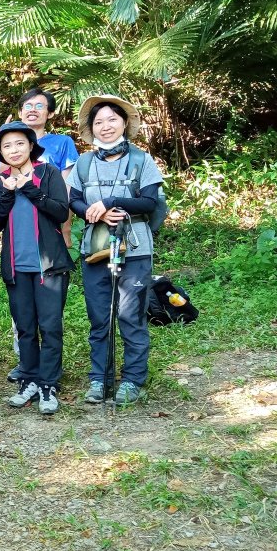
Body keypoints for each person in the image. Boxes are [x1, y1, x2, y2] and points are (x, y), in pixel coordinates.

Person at [68, 95, 163, 406]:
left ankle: (133, 380)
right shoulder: (83, 162)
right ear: (91, 128)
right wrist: (91, 212)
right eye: (98, 122)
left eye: (112, 120)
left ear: (124, 122)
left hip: (134, 249)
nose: (105, 126)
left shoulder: (141, 159)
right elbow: (74, 201)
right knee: (99, 317)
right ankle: (100, 379)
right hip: (95, 249)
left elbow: (149, 203)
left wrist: (110, 204)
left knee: (131, 315)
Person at [0, 121, 73, 415]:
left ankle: (48, 383)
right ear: (0, 151)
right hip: (16, 267)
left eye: (19, 143)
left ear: (30, 146)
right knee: (25, 328)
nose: (13, 150)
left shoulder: (47, 173)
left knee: (50, 327)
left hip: (49, 266)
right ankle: (29, 379)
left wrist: (30, 189)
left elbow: (61, 211)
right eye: (7, 146)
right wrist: (10, 192)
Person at [5, 87, 79, 382]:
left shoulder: (61, 144)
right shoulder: (9, 140)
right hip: (21, 243)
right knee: (22, 317)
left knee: (49, 316)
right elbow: (4, 191)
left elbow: (66, 192)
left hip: (50, 237)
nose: (33, 109)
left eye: (40, 105)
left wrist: (67, 230)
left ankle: (47, 374)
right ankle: (27, 365)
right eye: (27, 105)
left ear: (49, 112)